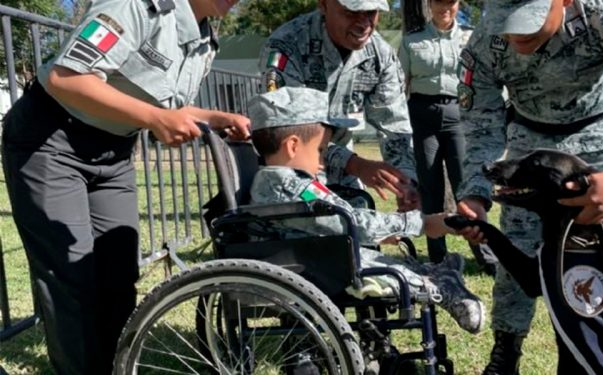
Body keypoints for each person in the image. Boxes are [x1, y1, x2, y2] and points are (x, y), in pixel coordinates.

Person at [1, 0, 250, 373]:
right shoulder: (136, 6)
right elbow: (67, 77)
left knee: (119, 275)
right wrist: (154, 118)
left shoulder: (205, 40)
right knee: (72, 279)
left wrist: (213, 116)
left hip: (113, 152)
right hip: (51, 139)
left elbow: (162, 103)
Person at [454, 0, 603, 373]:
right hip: (529, 150)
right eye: (506, 22)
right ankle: (505, 352)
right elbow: (482, 125)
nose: (516, 34)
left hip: (602, 150)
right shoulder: (485, 41)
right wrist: (476, 192)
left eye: (529, 20)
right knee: (516, 264)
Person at [246, 86, 485, 337]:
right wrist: (420, 224)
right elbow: (344, 219)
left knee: (377, 259)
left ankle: (435, 274)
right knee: (380, 268)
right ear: (293, 146)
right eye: (320, 149)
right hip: (309, 262)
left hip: (313, 254)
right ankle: (439, 286)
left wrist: (386, 231)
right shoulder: (289, 184)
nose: (323, 159)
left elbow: (335, 217)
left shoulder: (286, 180)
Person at [257, 0, 420, 211]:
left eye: (371, 12)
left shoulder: (381, 56)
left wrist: (406, 182)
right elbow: (287, 134)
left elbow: (395, 128)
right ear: (323, 5)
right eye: (351, 12)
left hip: (344, 175)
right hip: (292, 179)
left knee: (356, 227)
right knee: (329, 230)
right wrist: (356, 164)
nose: (364, 24)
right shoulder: (287, 46)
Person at [398, 0, 498, 272]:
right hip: (422, 115)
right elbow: (399, 84)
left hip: (459, 114)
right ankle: (438, 258)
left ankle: (487, 257)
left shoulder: (471, 37)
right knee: (429, 186)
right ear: (430, 5)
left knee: (467, 185)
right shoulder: (412, 41)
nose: (446, 9)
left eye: (451, 3)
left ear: (457, 5)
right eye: (440, 3)